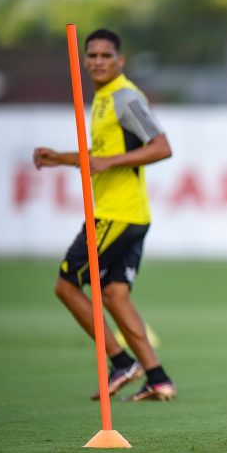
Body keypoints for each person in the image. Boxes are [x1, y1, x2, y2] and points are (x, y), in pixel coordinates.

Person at [32, 28, 176, 401]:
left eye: (105, 56)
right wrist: (60, 159)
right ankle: (158, 378)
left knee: (65, 286)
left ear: (120, 60)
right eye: (92, 55)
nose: (97, 62)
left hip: (116, 213)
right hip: (129, 214)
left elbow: (161, 147)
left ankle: (120, 362)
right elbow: (99, 159)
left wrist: (111, 160)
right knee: (114, 294)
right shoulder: (102, 99)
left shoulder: (125, 97)